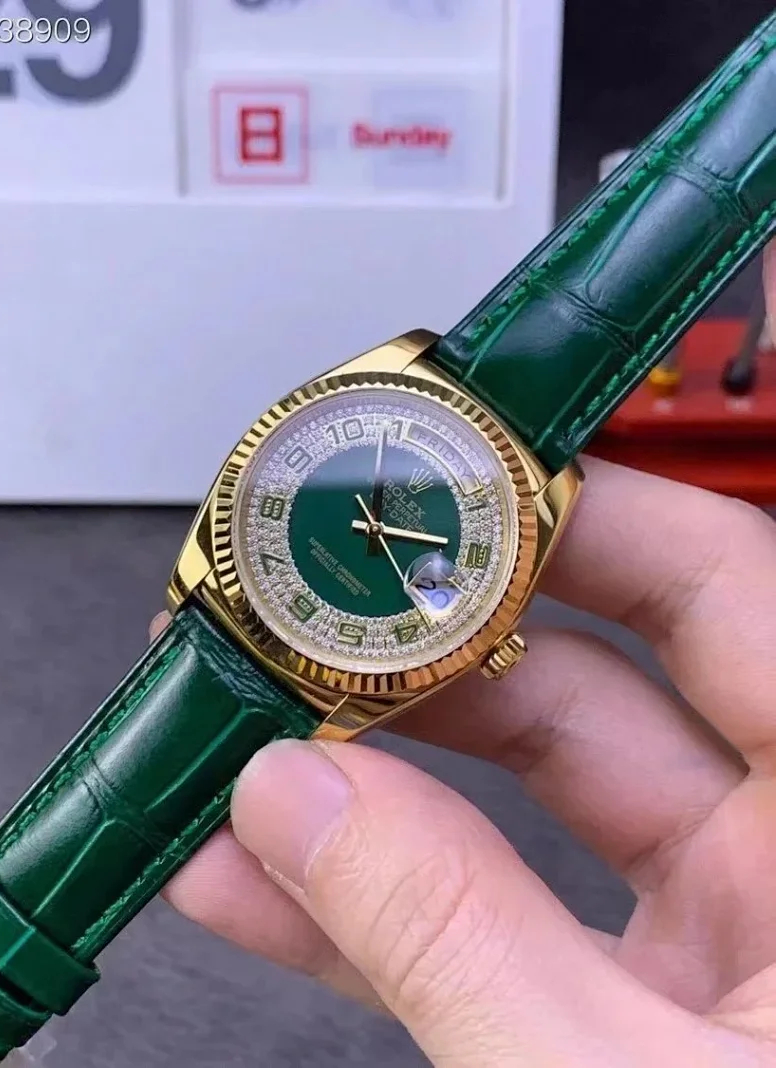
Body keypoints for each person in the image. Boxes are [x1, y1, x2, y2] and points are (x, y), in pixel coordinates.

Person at [149, 247, 776, 1066]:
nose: (371, 526)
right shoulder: (409, 383)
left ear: (489, 637)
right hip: (240, 585)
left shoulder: (515, 528)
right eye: (374, 518)